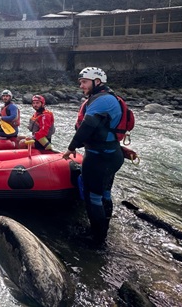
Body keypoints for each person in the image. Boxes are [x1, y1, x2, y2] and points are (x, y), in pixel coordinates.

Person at [62, 67, 124, 246]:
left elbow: (87, 127)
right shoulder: (107, 98)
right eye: (80, 82)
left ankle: (97, 239)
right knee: (104, 193)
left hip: (99, 158)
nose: (81, 85)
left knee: (93, 196)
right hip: (109, 155)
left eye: (84, 82)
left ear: (97, 82)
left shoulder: (101, 100)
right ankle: (102, 230)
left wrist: (71, 148)